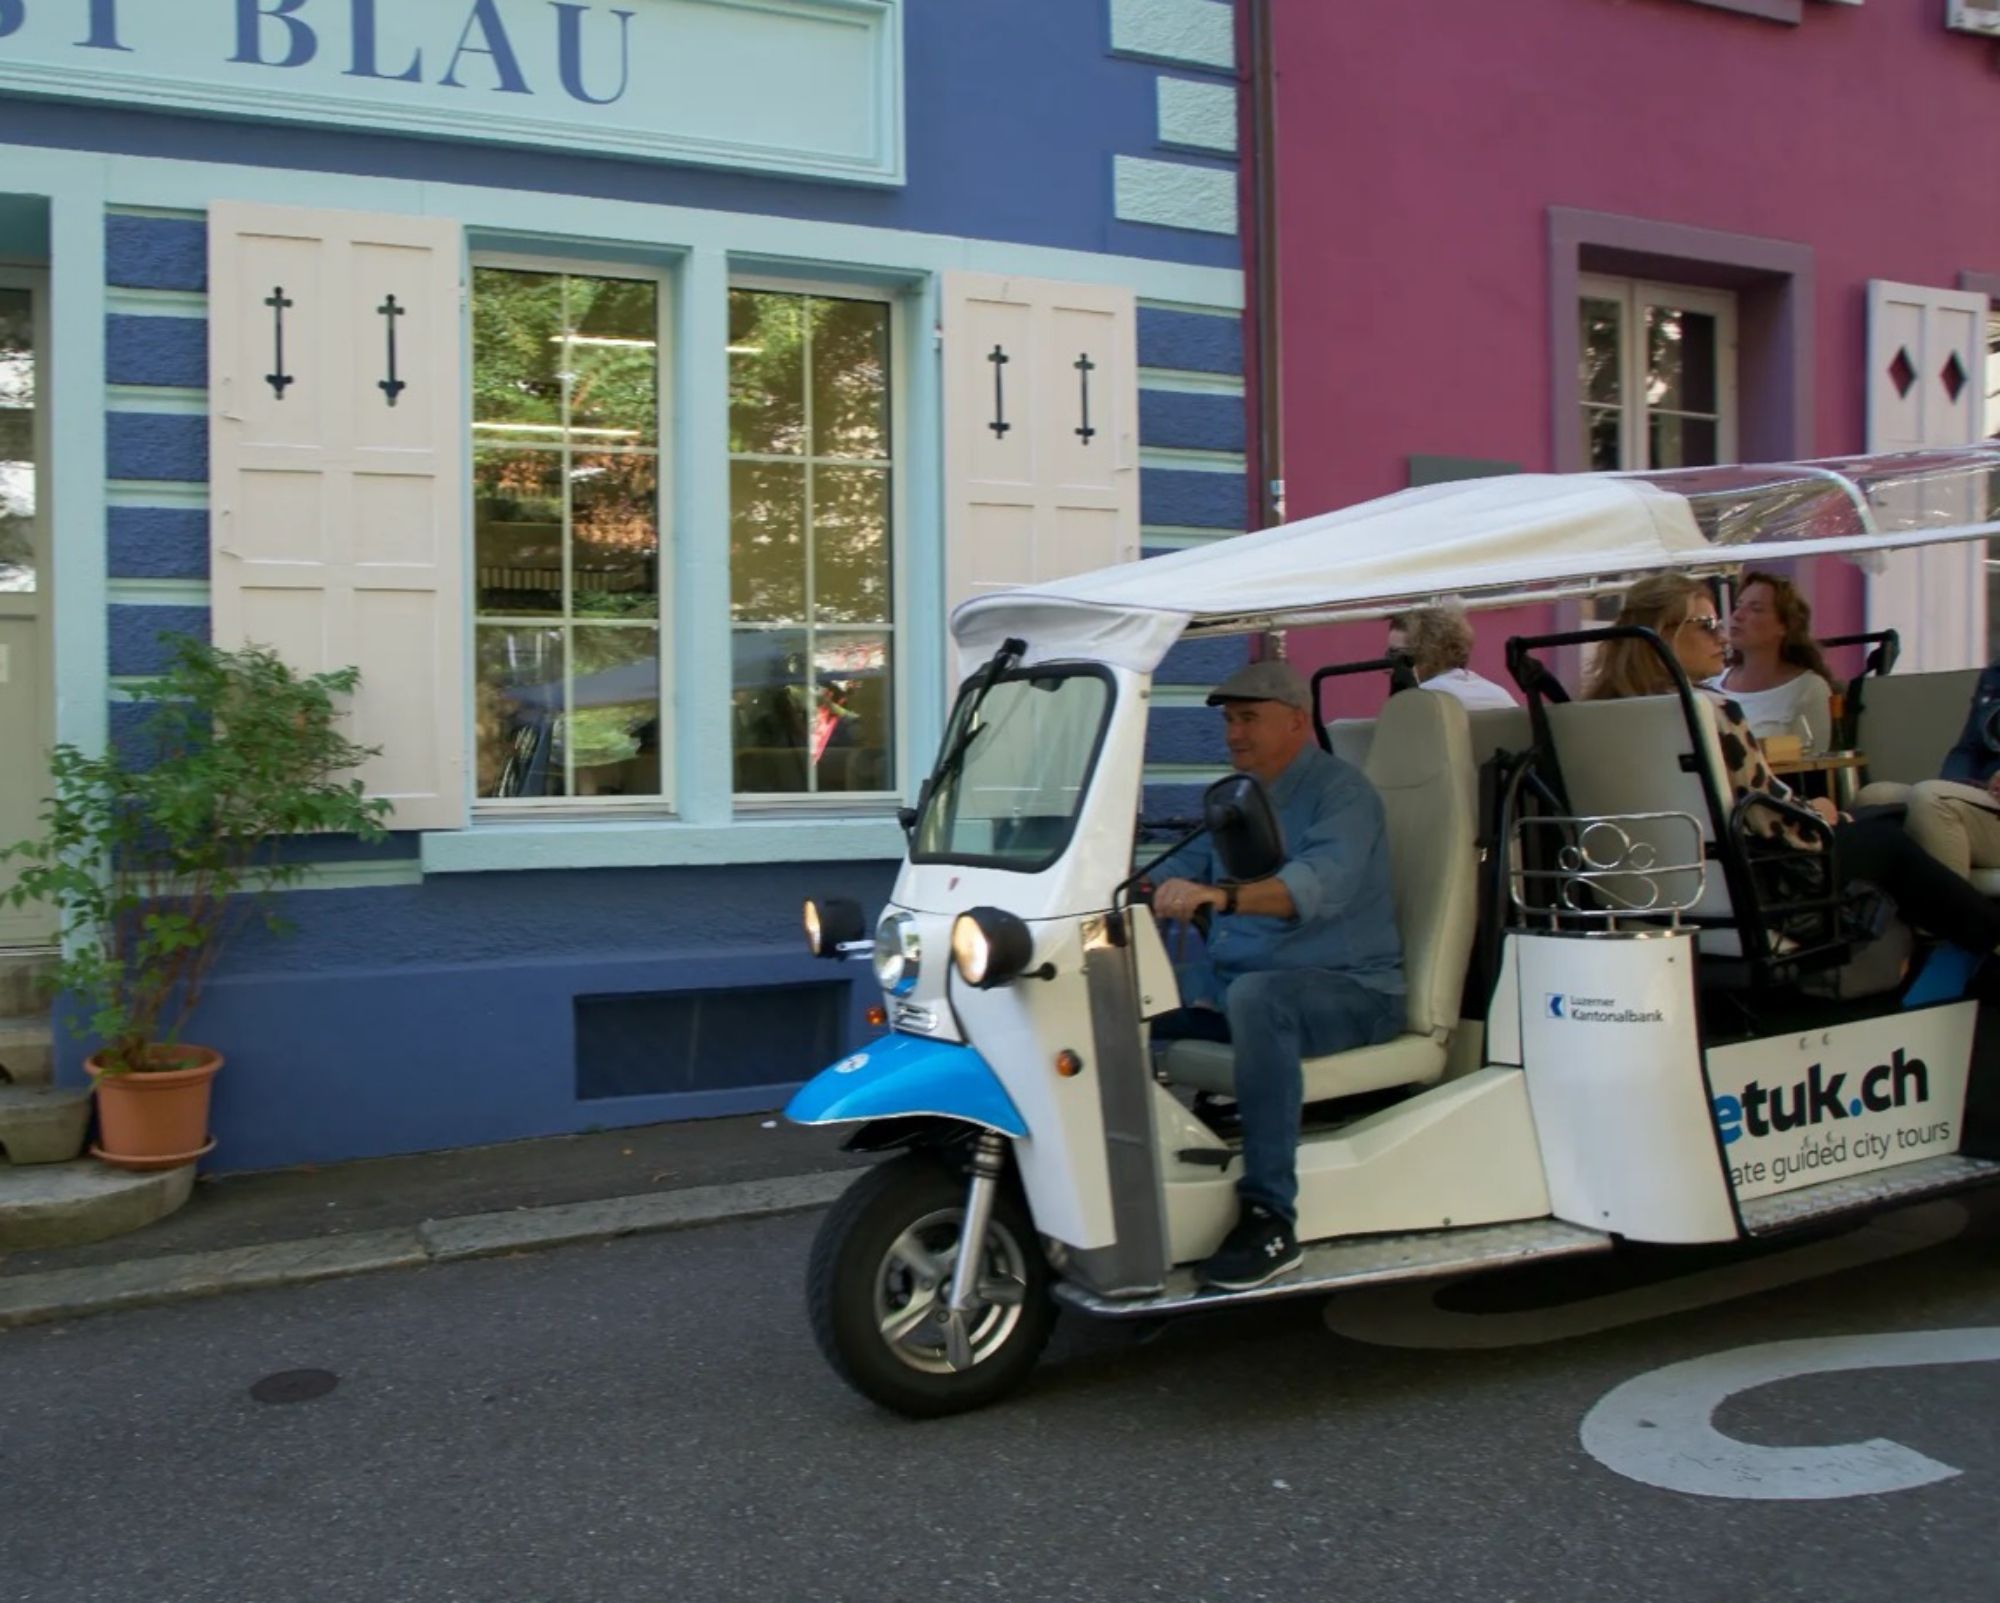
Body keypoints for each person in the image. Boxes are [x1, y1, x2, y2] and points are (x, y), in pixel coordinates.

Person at [1145, 659, 1405, 1291]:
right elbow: (1179, 873)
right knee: (1121, 1015)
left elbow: (1314, 886)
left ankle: (1270, 1217)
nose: (1234, 734)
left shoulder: (1342, 794)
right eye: (1231, 720)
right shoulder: (1237, 800)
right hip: (1247, 998)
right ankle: (1133, 1185)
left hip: (1355, 993)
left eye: (1250, 719)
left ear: (1296, 721)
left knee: (1260, 996)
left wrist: (1219, 899)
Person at [1587, 574, 2000, 959]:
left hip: (1658, 889)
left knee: (1878, 814)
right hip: (1756, 885)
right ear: (1664, 633)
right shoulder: (1710, 708)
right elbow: (1766, 811)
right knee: (1885, 840)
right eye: (1706, 624)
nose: (1722, 634)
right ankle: (1989, 946)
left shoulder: (1598, 715)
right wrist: (1815, 814)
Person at [1853, 660, 2000, 884]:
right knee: (1874, 798)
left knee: (1931, 798)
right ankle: (1888, 915)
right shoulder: (1994, 676)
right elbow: (1967, 749)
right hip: (1984, 795)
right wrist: (1956, 786)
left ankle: (1960, 916)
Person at [1709, 571, 1837, 752]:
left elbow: (1816, 761)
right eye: (1738, 606)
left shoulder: (1808, 689)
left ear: (1784, 626)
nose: (1737, 615)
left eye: (1756, 609)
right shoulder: (1711, 684)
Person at [1386, 606, 1518, 710]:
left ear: (1426, 652)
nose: (1388, 665)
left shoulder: (1426, 699)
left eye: (1395, 654)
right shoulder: (1498, 693)